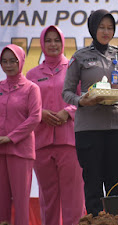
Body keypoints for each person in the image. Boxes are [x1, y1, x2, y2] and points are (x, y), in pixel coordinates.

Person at [62, 9, 118, 216]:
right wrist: (81, 101)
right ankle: (94, 219)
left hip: (117, 127)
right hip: (89, 129)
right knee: (93, 183)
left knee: (116, 185)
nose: (106, 31)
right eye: (101, 27)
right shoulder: (80, 57)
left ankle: (116, 219)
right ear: (93, 29)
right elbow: (67, 92)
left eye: (110, 27)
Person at [26, 25, 85, 224]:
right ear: (42, 43)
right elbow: (24, 106)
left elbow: (84, 98)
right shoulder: (32, 75)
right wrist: (39, 113)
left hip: (70, 142)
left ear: (63, 42)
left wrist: (68, 112)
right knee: (48, 199)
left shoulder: (73, 68)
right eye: (48, 40)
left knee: (74, 199)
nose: (53, 44)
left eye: (57, 40)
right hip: (41, 143)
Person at [0, 44, 42, 225]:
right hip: (0, 151)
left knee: (21, 201)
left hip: (21, 151)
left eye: (13, 61)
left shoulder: (31, 88)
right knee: (1, 202)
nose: (8, 65)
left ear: (21, 61)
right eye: (4, 61)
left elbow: (35, 118)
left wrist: (11, 137)